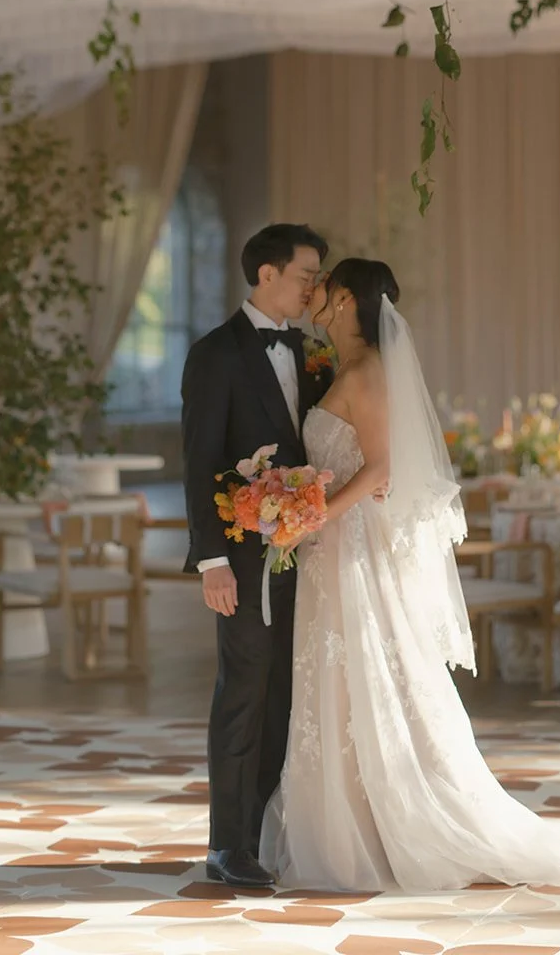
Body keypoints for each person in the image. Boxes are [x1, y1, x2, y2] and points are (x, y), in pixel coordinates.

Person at [260, 256, 560, 893]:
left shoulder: (366, 372)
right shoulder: (347, 369)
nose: (314, 296)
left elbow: (380, 471)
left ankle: (394, 825)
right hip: (332, 547)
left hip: (350, 546)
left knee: (366, 673)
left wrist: (311, 519)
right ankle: (349, 828)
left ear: (342, 301)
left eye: (325, 287)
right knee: (337, 682)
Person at [180, 221, 330, 890]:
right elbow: (199, 462)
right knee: (244, 691)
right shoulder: (214, 354)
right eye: (305, 275)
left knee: (288, 696)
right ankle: (226, 846)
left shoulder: (312, 354)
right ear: (266, 274)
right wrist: (211, 562)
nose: (313, 289)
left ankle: (264, 834)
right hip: (242, 561)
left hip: (309, 556)